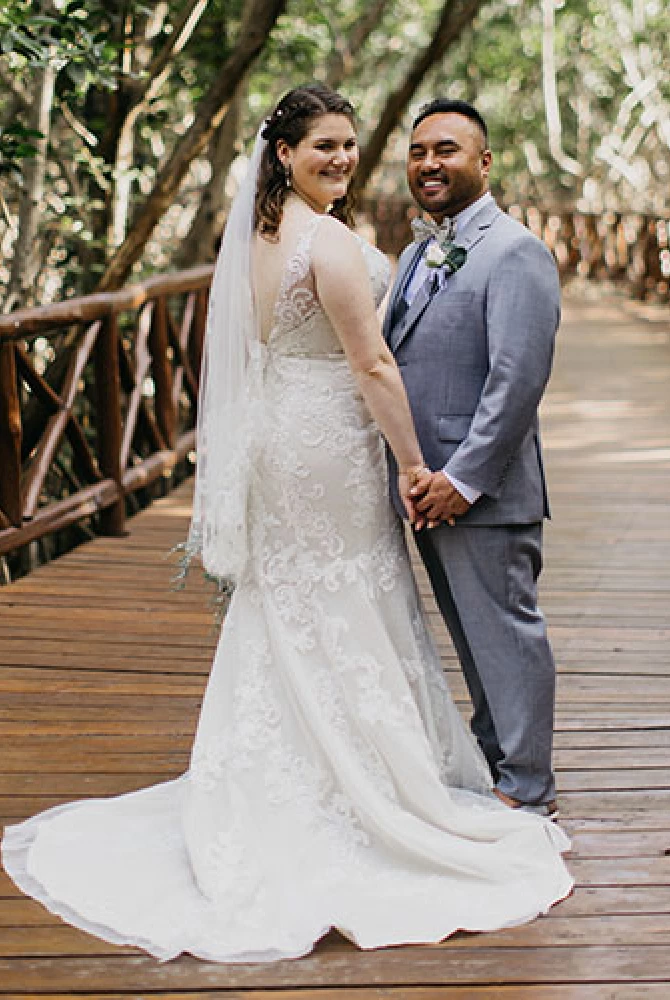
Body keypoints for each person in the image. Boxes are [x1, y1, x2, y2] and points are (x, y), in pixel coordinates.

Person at [1, 86, 572, 964]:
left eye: (351, 144)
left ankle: (510, 779)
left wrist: (443, 470)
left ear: (483, 161)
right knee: (346, 601)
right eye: (325, 146)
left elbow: (505, 378)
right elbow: (375, 360)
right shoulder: (329, 240)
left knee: (318, 606)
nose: (344, 158)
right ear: (282, 154)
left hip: (305, 441)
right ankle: (380, 778)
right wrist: (419, 467)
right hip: (334, 448)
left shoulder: (272, 239)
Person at [383, 98, 561, 817]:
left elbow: (518, 379)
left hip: (482, 488)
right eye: (419, 151)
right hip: (428, 486)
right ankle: (495, 763)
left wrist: (464, 478)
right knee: (472, 637)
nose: (430, 163)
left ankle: (528, 785)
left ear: (483, 163)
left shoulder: (515, 251)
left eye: (447, 150)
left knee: (507, 633)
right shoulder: (413, 250)